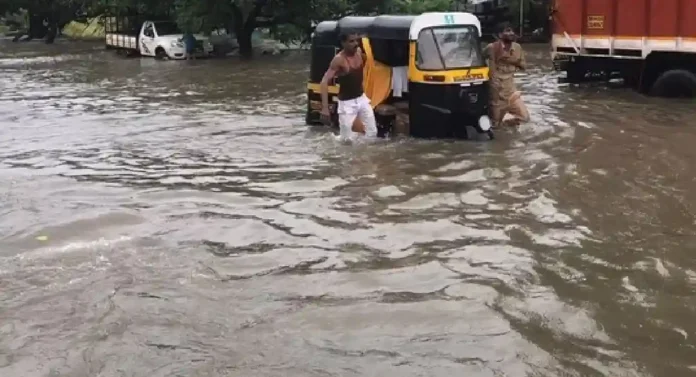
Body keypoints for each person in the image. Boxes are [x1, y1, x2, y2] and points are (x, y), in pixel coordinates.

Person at [320, 32, 378, 142]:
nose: (356, 43)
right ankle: (332, 141)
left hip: (362, 99)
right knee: (346, 140)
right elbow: (324, 82)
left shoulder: (359, 52)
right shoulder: (339, 60)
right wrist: (325, 108)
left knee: (372, 133)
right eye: (351, 41)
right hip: (346, 103)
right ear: (343, 43)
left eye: (356, 40)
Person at [483, 23, 530, 127]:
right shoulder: (491, 48)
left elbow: (523, 66)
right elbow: (480, 59)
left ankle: (507, 124)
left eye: (512, 31)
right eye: (507, 31)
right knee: (495, 125)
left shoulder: (517, 48)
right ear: (500, 35)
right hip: (496, 95)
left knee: (525, 118)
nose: (511, 33)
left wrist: (510, 62)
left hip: (511, 92)